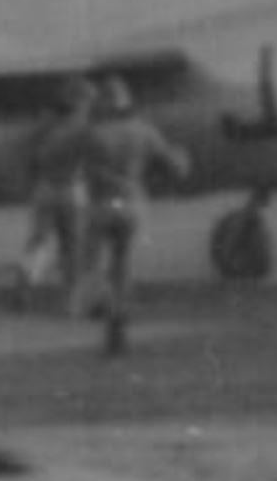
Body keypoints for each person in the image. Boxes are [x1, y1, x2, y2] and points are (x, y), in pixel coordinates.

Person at [74, 75, 193, 353]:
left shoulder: (91, 134)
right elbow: (176, 168)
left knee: (90, 264)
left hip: (102, 206)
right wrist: (182, 159)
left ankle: (99, 303)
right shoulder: (144, 131)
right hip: (131, 206)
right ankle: (118, 321)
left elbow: (76, 167)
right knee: (122, 267)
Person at [16, 77, 98, 308]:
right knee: (72, 246)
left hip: (45, 188)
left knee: (39, 241)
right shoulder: (86, 127)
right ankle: (70, 299)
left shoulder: (45, 122)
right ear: (82, 101)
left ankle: (25, 286)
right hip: (73, 189)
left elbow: (30, 155)